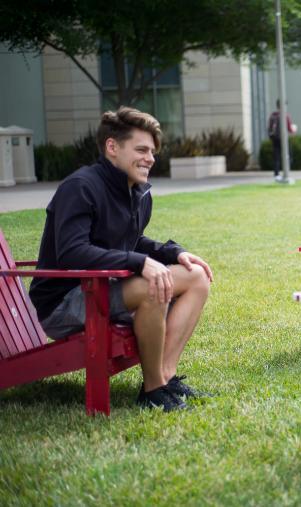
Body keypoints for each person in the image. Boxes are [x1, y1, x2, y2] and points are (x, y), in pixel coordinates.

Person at [29, 107, 213, 413]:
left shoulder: (138, 192)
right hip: (64, 301)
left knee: (196, 277)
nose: (150, 158)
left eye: (152, 151)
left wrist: (172, 252)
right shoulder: (80, 187)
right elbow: (73, 251)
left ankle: (164, 377)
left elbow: (130, 240)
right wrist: (140, 263)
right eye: (141, 149)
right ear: (112, 147)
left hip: (102, 287)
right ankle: (153, 391)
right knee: (153, 282)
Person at [268, 99, 297, 180]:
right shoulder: (285, 115)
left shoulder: (272, 115)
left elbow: (269, 128)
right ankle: (286, 171)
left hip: (275, 139)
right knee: (288, 155)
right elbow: (290, 129)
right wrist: (294, 129)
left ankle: (276, 174)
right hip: (283, 139)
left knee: (276, 157)